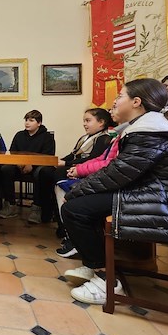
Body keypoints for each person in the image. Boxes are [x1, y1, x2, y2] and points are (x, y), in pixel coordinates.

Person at [61, 78, 168, 305]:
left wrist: (78, 190)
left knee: (74, 209)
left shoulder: (150, 131)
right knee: (82, 203)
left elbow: (118, 173)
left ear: (136, 102)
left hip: (160, 200)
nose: (115, 101)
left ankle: (106, 280)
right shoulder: (143, 128)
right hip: (147, 192)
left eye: (120, 96)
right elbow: (119, 171)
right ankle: (96, 265)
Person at [36, 108, 114, 254]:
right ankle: (48, 213)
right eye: (84, 120)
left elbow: (92, 159)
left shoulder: (104, 139)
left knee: (58, 173)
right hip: (75, 168)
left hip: (86, 173)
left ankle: (68, 229)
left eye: (88, 120)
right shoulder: (84, 138)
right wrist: (59, 161)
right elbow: (73, 155)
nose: (85, 124)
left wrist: (65, 164)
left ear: (102, 122)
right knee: (45, 172)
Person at [0, 110, 55, 221]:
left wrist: (32, 164)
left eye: (31, 120)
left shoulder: (47, 137)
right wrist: (19, 162)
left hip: (38, 167)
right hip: (20, 165)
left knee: (43, 172)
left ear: (39, 123)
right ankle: (10, 205)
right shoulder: (19, 135)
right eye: (26, 120)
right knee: (6, 169)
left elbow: (48, 156)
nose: (27, 123)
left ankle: (37, 209)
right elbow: (12, 152)